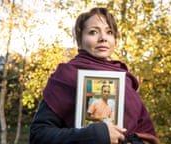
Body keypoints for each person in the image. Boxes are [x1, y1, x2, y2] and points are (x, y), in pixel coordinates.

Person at [30, 7, 160, 144]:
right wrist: (96, 135)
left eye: (109, 32)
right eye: (93, 32)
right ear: (79, 40)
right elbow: (39, 136)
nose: (103, 38)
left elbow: (147, 135)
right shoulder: (67, 77)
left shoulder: (125, 80)